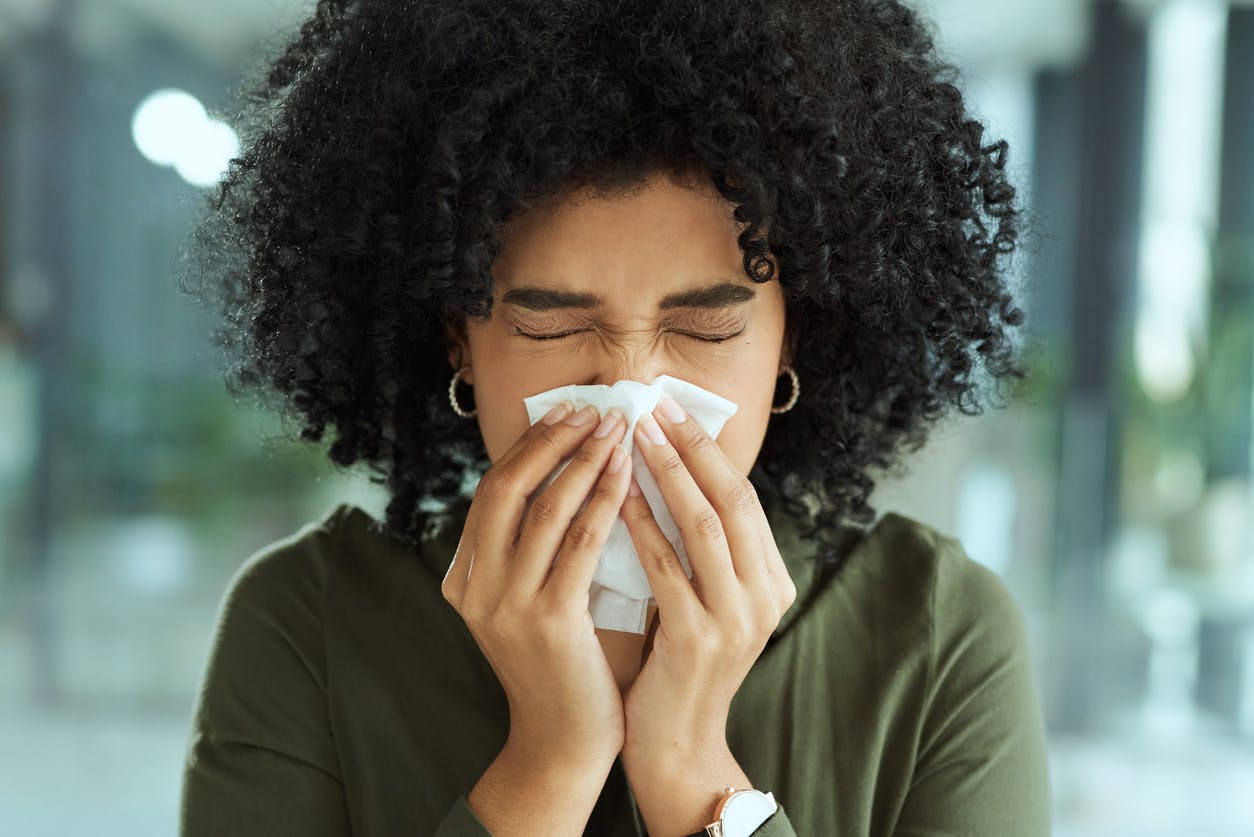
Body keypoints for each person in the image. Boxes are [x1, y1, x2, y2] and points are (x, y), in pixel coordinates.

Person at [176, 0, 1051, 834]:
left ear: (794, 341)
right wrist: (551, 761)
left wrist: (693, 769)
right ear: (459, 343)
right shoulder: (307, 623)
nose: (632, 390)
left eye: (706, 327)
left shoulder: (936, 636)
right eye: (551, 325)